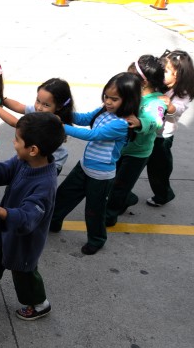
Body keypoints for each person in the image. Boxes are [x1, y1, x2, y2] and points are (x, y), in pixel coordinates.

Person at [0, 113, 65, 320]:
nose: (13, 142)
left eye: (17, 139)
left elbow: (29, 216)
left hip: (25, 240)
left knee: (23, 272)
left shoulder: (45, 184)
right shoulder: (23, 161)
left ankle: (39, 303)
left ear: (33, 149)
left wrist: (3, 212)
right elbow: (3, 170)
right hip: (5, 229)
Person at [48, 72, 142, 255]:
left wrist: (62, 126)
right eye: (106, 96)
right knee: (63, 196)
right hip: (84, 166)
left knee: (94, 211)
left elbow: (93, 135)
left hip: (101, 175)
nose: (108, 101)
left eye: (114, 99)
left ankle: (97, 239)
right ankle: (53, 221)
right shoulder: (104, 111)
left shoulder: (122, 124)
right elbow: (83, 119)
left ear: (129, 100)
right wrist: (62, 112)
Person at [106, 55, 167, 226]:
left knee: (119, 186)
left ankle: (109, 216)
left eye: (130, 75)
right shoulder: (132, 94)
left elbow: (156, 120)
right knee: (112, 181)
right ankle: (128, 198)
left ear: (144, 82)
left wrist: (140, 122)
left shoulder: (156, 102)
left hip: (137, 154)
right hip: (121, 148)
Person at [146, 49, 194, 207]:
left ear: (178, 74)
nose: (160, 73)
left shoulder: (182, 92)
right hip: (146, 130)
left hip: (162, 137)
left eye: (165, 71)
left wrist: (169, 105)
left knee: (159, 168)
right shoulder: (159, 84)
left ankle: (163, 194)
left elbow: (178, 109)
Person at [0, 77, 75, 174]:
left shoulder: (52, 121)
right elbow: (19, 106)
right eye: (38, 101)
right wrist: (1, 98)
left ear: (59, 106)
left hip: (49, 164)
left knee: (36, 183)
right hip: (34, 157)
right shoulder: (41, 111)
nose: (39, 107)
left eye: (46, 105)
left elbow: (16, 123)